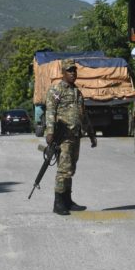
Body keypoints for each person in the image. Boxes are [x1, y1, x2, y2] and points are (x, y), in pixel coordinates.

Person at [45, 58, 97, 215]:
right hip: (63, 136)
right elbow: (50, 111)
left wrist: (91, 134)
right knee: (64, 169)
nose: (73, 73)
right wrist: (50, 132)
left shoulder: (77, 92)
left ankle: (67, 200)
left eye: (74, 70)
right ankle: (58, 203)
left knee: (71, 168)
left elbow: (83, 115)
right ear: (63, 72)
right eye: (69, 70)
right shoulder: (56, 90)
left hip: (75, 136)